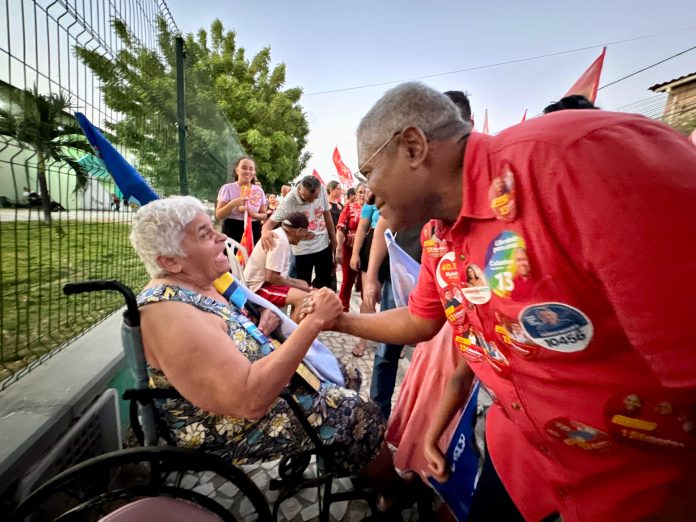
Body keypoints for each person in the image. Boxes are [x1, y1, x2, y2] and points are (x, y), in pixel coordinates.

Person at [301, 81, 696, 522]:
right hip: (523, 467)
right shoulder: (438, 235)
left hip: (643, 492)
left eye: (367, 172)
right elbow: (419, 319)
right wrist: (338, 321)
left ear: (413, 147)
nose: (367, 193)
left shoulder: (580, 161)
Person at [129, 196, 384, 476]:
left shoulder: (204, 281)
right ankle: (392, 490)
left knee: (345, 374)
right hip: (232, 423)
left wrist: (263, 315)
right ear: (170, 261)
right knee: (357, 412)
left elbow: (235, 317)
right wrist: (315, 322)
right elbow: (248, 401)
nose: (221, 236)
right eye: (205, 234)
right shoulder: (171, 315)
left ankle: (345, 453)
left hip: (264, 380)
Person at [261, 176, 337, 289]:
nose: (312, 201)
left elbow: (327, 216)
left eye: (315, 198)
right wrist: (265, 233)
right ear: (300, 190)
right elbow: (268, 224)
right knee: (302, 286)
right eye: (308, 198)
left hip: (323, 245)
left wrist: (334, 239)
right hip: (302, 251)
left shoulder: (321, 189)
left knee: (324, 284)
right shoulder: (288, 201)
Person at [243, 212, 312, 322]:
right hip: (258, 288)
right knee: (305, 298)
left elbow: (277, 276)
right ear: (299, 231)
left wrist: (303, 286)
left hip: (263, 282)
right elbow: (271, 278)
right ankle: (291, 334)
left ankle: (290, 320)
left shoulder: (280, 235)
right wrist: (301, 288)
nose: (304, 237)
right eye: (305, 232)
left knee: (304, 284)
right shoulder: (280, 241)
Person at [216, 156, 267, 245]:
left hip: (253, 229)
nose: (247, 171)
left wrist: (254, 214)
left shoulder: (259, 191)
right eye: (244, 168)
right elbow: (219, 215)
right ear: (237, 170)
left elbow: (264, 215)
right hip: (232, 228)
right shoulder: (227, 188)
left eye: (251, 169)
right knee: (232, 258)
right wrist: (233, 203)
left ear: (254, 172)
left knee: (252, 258)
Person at [336, 183, 366, 311]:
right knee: (348, 280)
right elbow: (341, 228)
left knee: (366, 282)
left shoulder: (375, 208)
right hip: (349, 248)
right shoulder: (349, 208)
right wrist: (338, 248)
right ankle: (343, 309)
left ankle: (367, 311)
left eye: (365, 192)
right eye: (360, 192)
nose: (363, 195)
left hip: (368, 250)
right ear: (356, 193)